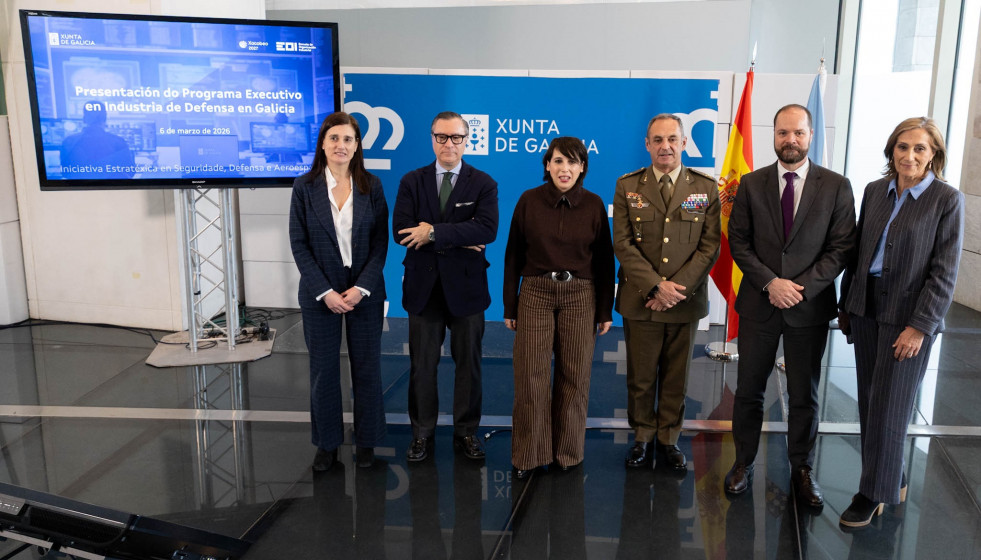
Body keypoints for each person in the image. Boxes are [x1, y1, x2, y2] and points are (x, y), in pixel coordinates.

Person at [725, 104, 856, 507]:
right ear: (774, 135)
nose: (790, 140)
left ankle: (802, 468)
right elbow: (739, 242)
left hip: (808, 307)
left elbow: (841, 249)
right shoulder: (750, 184)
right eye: (783, 133)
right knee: (748, 390)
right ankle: (743, 462)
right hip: (760, 305)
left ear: (810, 135)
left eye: (798, 133)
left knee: (804, 394)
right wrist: (770, 283)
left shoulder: (836, 185)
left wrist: (797, 288)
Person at [837, 117, 963, 528]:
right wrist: (847, 305)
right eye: (902, 147)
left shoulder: (946, 200)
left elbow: (944, 272)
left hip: (908, 319)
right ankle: (894, 475)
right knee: (872, 401)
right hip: (867, 309)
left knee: (891, 406)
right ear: (891, 149)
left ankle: (873, 493)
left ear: (934, 155)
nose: (909, 156)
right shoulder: (876, 191)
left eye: (920, 149)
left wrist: (921, 326)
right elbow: (858, 253)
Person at [613, 114, 721, 473]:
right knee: (641, 377)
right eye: (657, 140)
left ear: (685, 143)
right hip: (642, 299)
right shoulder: (628, 185)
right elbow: (623, 243)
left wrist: (676, 290)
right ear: (647, 145)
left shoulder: (705, 188)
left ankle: (669, 439)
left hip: (684, 303)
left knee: (677, 378)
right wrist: (656, 286)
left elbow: (709, 247)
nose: (665, 146)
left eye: (672, 139)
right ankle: (642, 437)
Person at [503, 137, 615, 478]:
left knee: (574, 375)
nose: (564, 168)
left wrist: (605, 310)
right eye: (557, 161)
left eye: (572, 162)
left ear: (582, 167)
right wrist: (511, 306)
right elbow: (512, 256)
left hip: (581, 294)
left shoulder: (594, 204)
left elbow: (605, 261)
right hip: (535, 292)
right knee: (531, 376)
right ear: (547, 166)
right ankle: (530, 455)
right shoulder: (528, 201)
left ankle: (567, 453)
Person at [393, 111, 499, 462]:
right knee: (422, 366)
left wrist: (434, 232)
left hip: (467, 290)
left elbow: (486, 230)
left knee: (469, 365)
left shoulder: (483, 183)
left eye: (456, 137)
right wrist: (459, 236)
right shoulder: (412, 181)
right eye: (441, 137)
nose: (448, 144)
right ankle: (421, 433)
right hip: (424, 289)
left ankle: (466, 433)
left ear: (467, 140)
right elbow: (402, 232)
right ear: (432, 138)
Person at [289, 111, 389, 472]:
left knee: (367, 368)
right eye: (334, 138)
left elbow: (381, 245)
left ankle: (367, 441)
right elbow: (298, 244)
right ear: (323, 143)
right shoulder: (304, 187)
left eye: (348, 139)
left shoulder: (372, 186)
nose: (340, 145)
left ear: (357, 145)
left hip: (364, 291)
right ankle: (327, 444)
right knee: (323, 370)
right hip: (321, 294)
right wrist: (324, 291)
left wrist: (362, 287)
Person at [59, 100, 136, 179]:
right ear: (105, 118)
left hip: (79, 189)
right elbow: (130, 171)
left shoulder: (69, 141)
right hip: (112, 189)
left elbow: (65, 173)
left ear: (84, 119)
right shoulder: (118, 142)